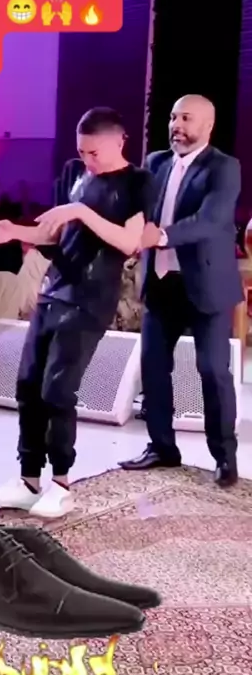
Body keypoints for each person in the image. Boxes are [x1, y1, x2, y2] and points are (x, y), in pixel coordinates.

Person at [0, 108, 153, 518]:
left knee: (58, 390)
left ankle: (61, 484)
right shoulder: (77, 175)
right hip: (54, 290)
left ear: (119, 142)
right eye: (82, 152)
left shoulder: (137, 182)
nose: (87, 160)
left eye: (94, 153)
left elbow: (129, 242)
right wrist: (15, 231)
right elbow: (56, 234)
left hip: (91, 298)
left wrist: (80, 211)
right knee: (28, 385)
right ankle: (28, 480)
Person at [119, 95, 243, 487]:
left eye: (186, 118)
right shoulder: (155, 162)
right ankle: (162, 448)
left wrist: (161, 236)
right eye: (173, 117)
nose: (176, 125)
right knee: (154, 367)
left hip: (207, 285)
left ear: (208, 125)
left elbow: (210, 220)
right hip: (160, 283)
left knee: (213, 370)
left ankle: (224, 457)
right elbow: (136, 209)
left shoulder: (224, 167)